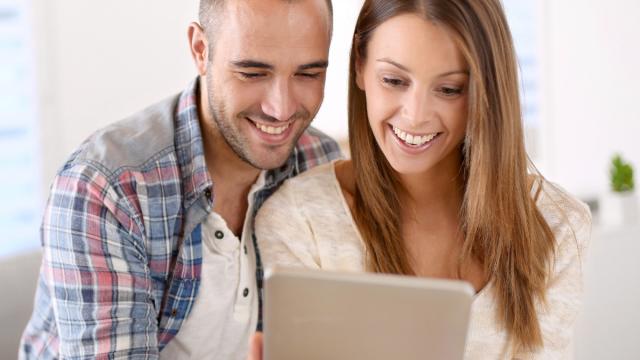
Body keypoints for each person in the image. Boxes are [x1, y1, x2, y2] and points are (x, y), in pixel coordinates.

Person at [255, 0, 592, 358]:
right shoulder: (300, 222)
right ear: (359, 65)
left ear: (487, 91)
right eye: (394, 81)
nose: (415, 116)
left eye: (449, 89)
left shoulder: (556, 225)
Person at [19, 0, 340, 359]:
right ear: (201, 49)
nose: (280, 108)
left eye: (308, 74)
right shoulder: (106, 191)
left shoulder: (318, 163)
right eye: (252, 73)